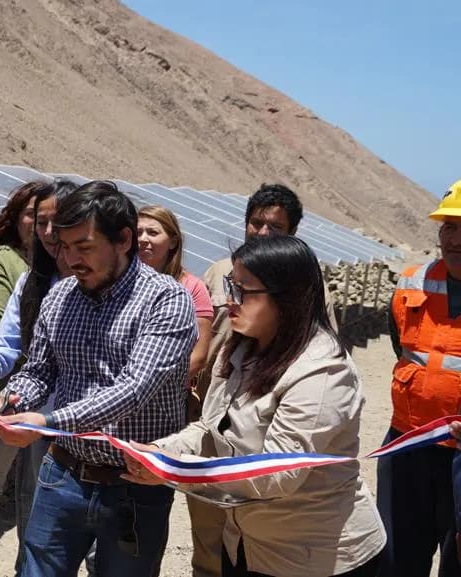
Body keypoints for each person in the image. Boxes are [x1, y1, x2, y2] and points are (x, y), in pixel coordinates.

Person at [127, 234, 385, 577]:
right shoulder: (240, 350)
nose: (230, 301)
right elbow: (212, 427)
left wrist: (175, 467)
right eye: (231, 286)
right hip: (246, 546)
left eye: (243, 292)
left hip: (315, 558)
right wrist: (162, 449)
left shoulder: (323, 372)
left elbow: (277, 474)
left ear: (287, 298)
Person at [0, 180, 198, 577]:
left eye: (83, 247)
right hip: (63, 474)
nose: (71, 261)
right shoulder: (60, 297)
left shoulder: (167, 301)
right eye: (64, 248)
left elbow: (133, 389)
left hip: (135, 487)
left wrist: (49, 422)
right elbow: (39, 371)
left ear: (124, 239)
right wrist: (16, 399)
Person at [194, 182, 337, 577]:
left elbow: (280, 470)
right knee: (211, 534)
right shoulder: (220, 272)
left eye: (273, 228)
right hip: (215, 415)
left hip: (266, 426)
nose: (261, 233)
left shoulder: (307, 297)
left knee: (255, 525)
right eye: (255, 224)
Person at [0, 179, 78, 576]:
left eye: (57, 221)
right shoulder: (30, 283)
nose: (47, 232)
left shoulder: (96, 283)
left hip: (71, 423)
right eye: (41, 221)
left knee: (46, 500)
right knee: (3, 490)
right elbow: (6, 345)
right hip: (23, 411)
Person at [377, 179, 461, 577]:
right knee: (396, 560)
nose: (456, 239)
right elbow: (404, 349)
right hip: (407, 444)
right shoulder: (410, 283)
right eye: (450, 227)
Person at [137, 205, 214, 410]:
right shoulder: (118, 281)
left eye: (153, 232)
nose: (143, 238)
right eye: (138, 232)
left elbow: (199, 357)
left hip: (167, 401)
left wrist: (147, 387)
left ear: (173, 241)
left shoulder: (193, 288)